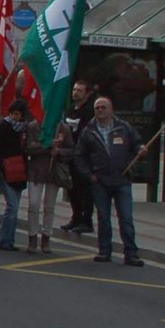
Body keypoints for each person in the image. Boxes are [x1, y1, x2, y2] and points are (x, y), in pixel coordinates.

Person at [76, 96, 145, 266]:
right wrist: (89, 175)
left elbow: (137, 145)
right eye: (97, 108)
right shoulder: (89, 131)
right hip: (100, 181)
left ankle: (131, 253)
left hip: (122, 180)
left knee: (126, 218)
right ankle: (104, 251)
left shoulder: (124, 127)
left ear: (111, 109)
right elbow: (79, 156)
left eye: (103, 107)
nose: (100, 110)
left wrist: (141, 151)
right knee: (103, 218)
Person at [0, 100, 29, 252]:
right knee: (12, 206)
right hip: (5, 170)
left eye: (18, 114)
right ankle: (5, 240)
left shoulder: (24, 130)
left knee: (14, 207)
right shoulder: (2, 128)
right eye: (13, 114)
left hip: (19, 172)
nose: (14, 117)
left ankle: (10, 240)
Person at [59, 79, 97, 234]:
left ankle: (87, 221)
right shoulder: (70, 110)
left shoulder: (89, 111)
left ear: (87, 94)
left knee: (85, 189)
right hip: (71, 155)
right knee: (73, 189)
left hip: (85, 156)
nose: (76, 93)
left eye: (80, 90)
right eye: (75, 90)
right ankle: (75, 218)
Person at [24, 120, 62, 255]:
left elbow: (71, 149)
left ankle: (46, 237)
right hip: (36, 172)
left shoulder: (62, 126)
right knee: (33, 204)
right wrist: (47, 145)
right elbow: (29, 147)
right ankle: (32, 237)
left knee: (49, 206)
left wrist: (59, 151)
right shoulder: (33, 126)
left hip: (53, 173)